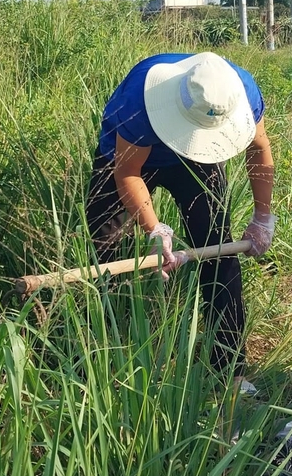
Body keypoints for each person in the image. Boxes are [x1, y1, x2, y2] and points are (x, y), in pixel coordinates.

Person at [86, 51, 275, 385]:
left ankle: (229, 370)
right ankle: (100, 359)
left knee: (218, 251)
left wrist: (263, 217)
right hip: (129, 159)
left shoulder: (242, 90)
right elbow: (128, 171)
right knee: (104, 249)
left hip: (199, 157)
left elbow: (259, 149)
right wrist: (153, 228)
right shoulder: (139, 98)